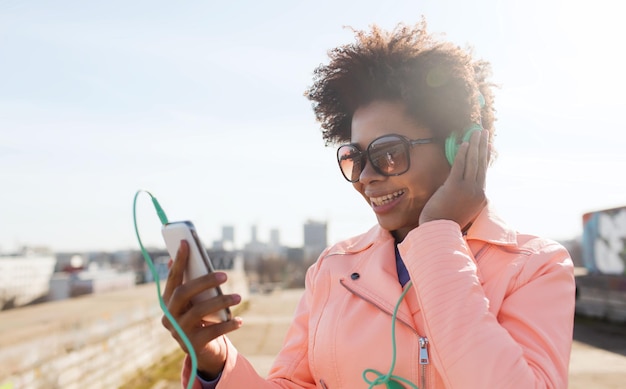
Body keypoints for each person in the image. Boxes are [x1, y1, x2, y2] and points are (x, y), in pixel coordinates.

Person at [161, 20, 575, 389]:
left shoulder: (534, 267)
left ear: (459, 147)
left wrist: (435, 237)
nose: (366, 175)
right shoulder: (332, 270)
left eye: (389, 153)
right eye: (354, 157)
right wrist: (217, 366)